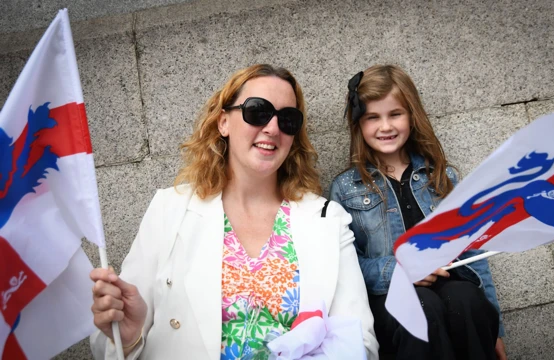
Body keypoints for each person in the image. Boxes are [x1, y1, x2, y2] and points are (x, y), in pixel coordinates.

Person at [89, 64, 379, 359]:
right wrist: (126, 339)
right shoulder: (170, 210)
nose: (273, 128)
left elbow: (361, 343)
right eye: (257, 111)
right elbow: (108, 347)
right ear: (223, 122)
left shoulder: (327, 219)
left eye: (288, 119)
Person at [329, 65, 506, 360]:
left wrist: (496, 330)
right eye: (373, 117)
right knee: (421, 305)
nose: (385, 126)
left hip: (453, 290)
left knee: (466, 298)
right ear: (359, 124)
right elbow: (346, 266)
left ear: (412, 115)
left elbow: (475, 252)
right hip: (390, 300)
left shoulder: (441, 176)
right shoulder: (347, 188)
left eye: (395, 114)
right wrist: (398, 271)